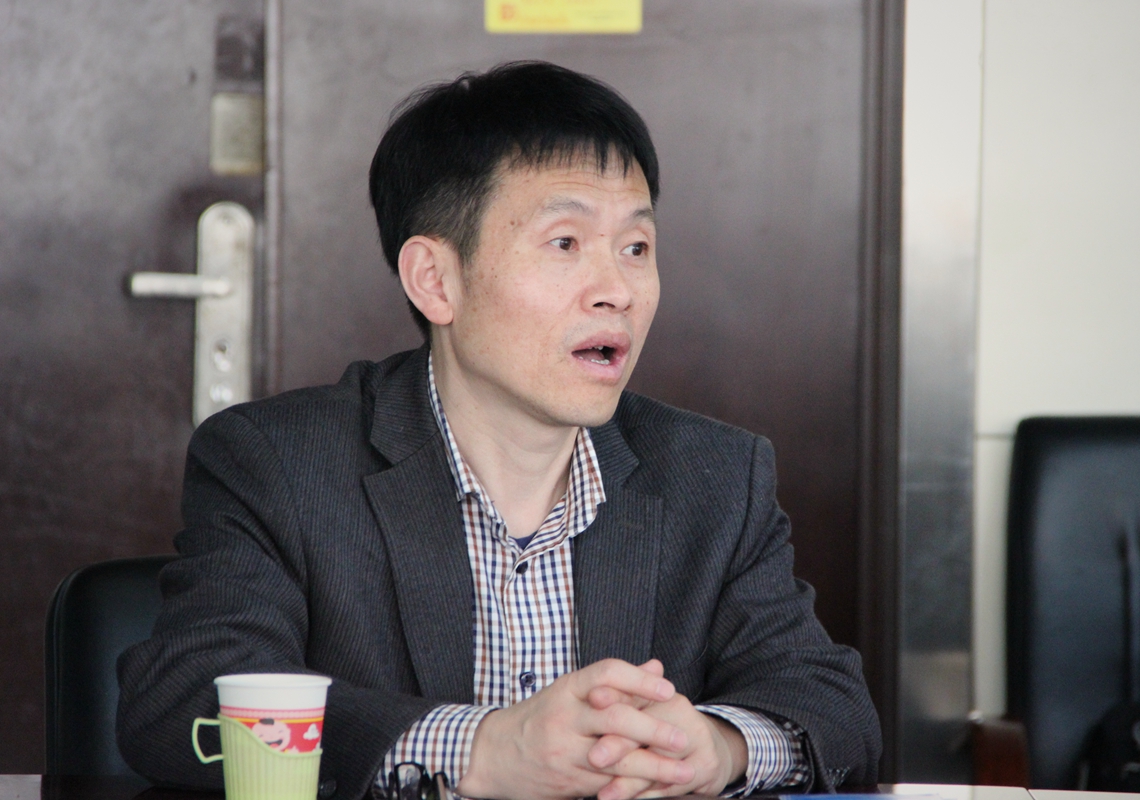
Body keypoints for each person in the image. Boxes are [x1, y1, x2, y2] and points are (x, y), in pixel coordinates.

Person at [117, 61, 881, 800]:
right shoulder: (281, 462)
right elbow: (183, 704)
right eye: (565, 243)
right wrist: (484, 751)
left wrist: (719, 749)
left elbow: (834, 710)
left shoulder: (714, 475)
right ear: (436, 281)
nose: (617, 291)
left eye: (636, 248)